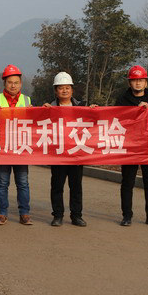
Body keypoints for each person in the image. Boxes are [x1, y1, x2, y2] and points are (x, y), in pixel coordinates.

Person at [115, 65, 148, 227]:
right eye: (134, 80)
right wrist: (134, 112)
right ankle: (127, 215)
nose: (138, 83)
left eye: (141, 80)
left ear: (146, 82)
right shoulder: (122, 100)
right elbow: (117, 121)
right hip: (130, 148)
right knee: (127, 182)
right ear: (129, 83)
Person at [42, 72, 88, 227]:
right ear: (56, 91)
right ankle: (58, 215)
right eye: (61, 88)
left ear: (72, 90)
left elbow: (93, 123)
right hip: (58, 154)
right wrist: (43, 111)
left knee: (76, 187)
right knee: (57, 186)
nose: (64, 91)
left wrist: (93, 111)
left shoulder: (81, 107)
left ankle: (76, 216)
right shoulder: (50, 108)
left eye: (67, 87)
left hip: (76, 153)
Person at [0, 64, 33, 226]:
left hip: (21, 147)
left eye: (16, 82)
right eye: (9, 82)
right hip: (2, 147)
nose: (13, 85)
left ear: (21, 84)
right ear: (4, 83)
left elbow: (35, 123)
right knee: (2, 183)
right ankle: (2, 213)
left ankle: (24, 213)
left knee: (23, 182)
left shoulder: (27, 100)